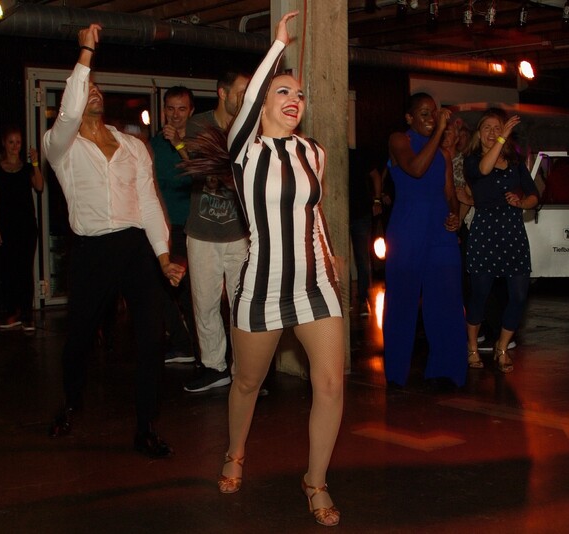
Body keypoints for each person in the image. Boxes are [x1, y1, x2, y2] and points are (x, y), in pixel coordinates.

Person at [210, 11, 343, 527]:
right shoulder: (243, 151)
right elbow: (248, 102)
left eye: (300, 95)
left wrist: (331, 258)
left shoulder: (314, 152)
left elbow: (313, 213)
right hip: (261, 286)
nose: (294, 100)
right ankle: (235, 452)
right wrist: (278, 47)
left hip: (314, 284)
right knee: (247, 383)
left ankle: (316, 481)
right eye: (283, 92)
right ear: (262, 102)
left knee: (329, 384)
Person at [43, 24, 185, 457]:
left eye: (97, 88)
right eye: (86, 89)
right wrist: (86, 53)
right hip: (92, 250)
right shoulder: (59, 146)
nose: (94, 92)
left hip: (135, 247)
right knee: (80, 338)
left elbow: (148, 203)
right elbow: (69, 112)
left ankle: (145, 426)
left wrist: (163, 256)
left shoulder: (132, 146)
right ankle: (71, 402)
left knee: (151, 337)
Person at [383, 92, 467, 391]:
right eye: (424, 113)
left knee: (446, 300)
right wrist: (440, 131)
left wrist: (455, 216)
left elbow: (450, 195)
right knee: (402, 301)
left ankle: (446, 370)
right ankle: (396, 373)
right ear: (409, 118)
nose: (432, 118)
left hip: (440, 233)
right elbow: (416, 169)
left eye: (434, 112)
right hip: (408, 230)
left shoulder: (443, 155)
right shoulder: (399, 140)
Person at [181, 71, 249, 393]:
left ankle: (245, 371)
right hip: (203, 232)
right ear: (222, 92)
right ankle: (214, 367)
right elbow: (212, 170)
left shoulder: (250, 124)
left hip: (240, 233)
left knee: (242, 304)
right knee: (205, 304)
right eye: (241, 91)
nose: (245, 97)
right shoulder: (199, 125)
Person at [463, 111, 539, 371]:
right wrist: (502, 138)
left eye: (498, 127)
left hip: (513, 233)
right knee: (480, 295)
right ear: (478, 133)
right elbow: (485, 169)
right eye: (487, 127)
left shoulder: (515, 163)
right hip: (485, 233)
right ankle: (472, 348)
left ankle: (502, 347)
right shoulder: (472, 161)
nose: (493, 131)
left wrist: (522, 203)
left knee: (518, 295)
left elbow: (534, 195)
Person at [150, 86, 197, 364]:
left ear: (190, 112)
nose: (175, 115)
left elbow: (202, 173)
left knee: (192, 291)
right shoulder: (155, 145)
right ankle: (183, 343)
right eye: (170, 108)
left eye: (181, 109)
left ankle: (201, 350)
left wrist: (180, 143)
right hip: (164, 227)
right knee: (160, 289)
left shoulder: (197, 141)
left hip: (192, 227)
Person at [0, 125, 43, 331]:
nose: (14, 146)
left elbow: (39, 186)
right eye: (11, 142)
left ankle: (27, 315)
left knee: (25, 269)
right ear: (4, 143)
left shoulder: (27, 168)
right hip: (7, 226)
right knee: (9, 270)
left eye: (18, 142)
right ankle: (13, 313)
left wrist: (35, 163)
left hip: (26, 226)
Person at [349, 147, 382, 317]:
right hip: (339, 213)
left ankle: (363, 300)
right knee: (339, 258)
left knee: (362, 257)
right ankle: (345, 301)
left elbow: (375, 175)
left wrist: (377, 200)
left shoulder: (357, 154)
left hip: (361, 213)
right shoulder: (329, 154)